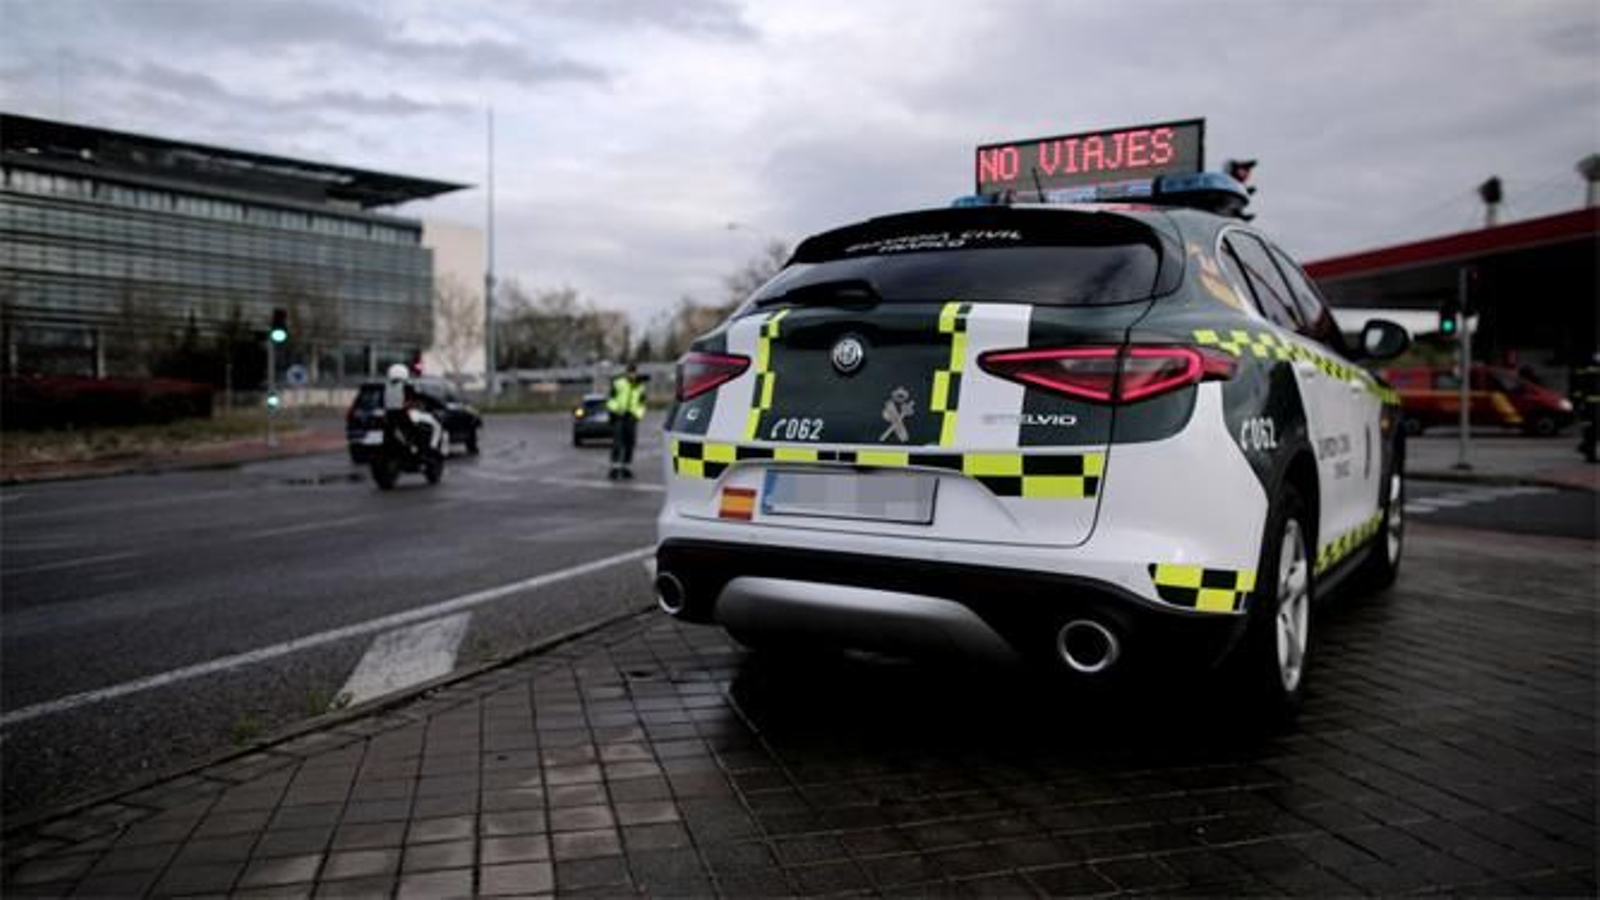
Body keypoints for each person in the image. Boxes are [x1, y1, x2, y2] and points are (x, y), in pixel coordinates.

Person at [382, 364, 443, 457]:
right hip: (405, 415)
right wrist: (436, 403)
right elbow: (420, 397)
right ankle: (431, 449)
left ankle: (414, 446)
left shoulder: (386, 388)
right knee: (436, 425)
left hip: (390, 417)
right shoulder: (406, 387)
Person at [607, 363, 647, 479]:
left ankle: (626, 468)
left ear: (636, 373)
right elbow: (610, 400)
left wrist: (638, 415)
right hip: (619, 417)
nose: (632, 374)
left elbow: (642, 404)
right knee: (617, 443)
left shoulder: (640, 387)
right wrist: (616, 409)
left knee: (630, 444)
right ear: (626, 373)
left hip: (632, 418)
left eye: (633, 372)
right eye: (629, 372)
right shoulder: (618, 383)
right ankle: (614, 469)